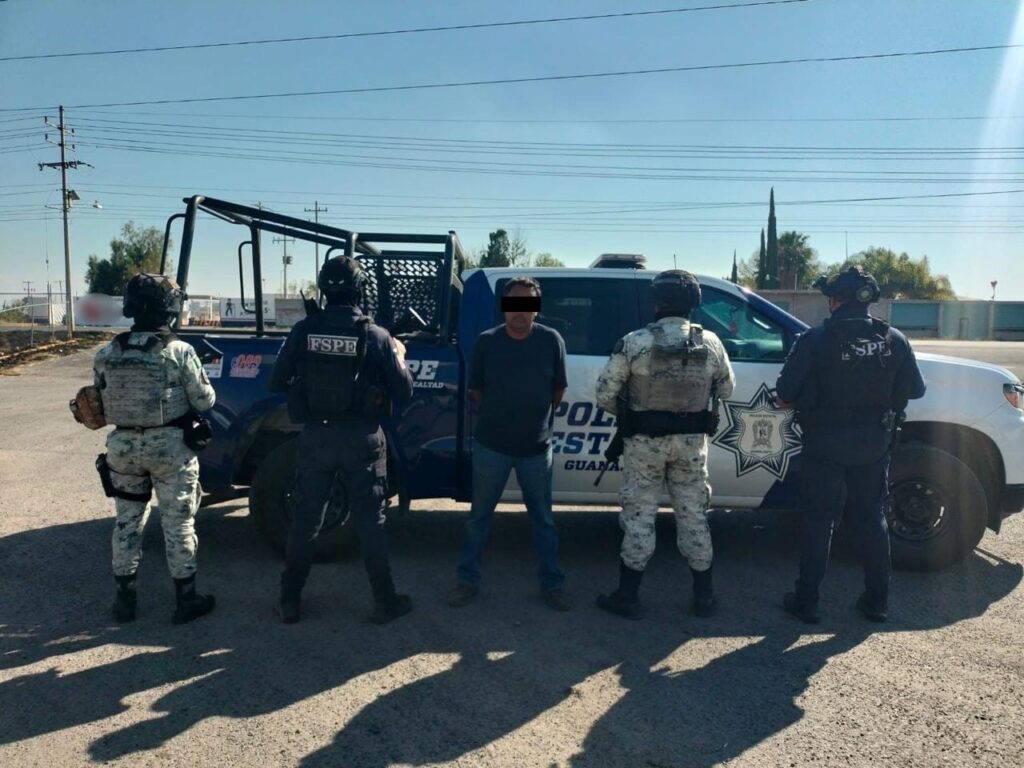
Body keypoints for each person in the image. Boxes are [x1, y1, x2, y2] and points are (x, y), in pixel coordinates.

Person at [776, 266, 926, 624]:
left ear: (834, 300)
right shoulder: (895, 339)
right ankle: (877, 602)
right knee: (872, 519)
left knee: (819, 520)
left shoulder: (815, 339)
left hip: (824, 444)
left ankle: (806, 601)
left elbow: (784, 394)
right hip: (874, 443)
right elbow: (916, 390)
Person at [268, 256, 413, 625]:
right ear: (359, 288)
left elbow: (276, 380)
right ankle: (385, 601)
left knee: (305, 521)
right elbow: (403, 390)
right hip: (362, 439)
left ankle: (289, 601)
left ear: (323, 288)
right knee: (371, 523)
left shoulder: (304, 330)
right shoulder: (376, 336)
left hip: (316, 437)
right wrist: (399, 353)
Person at [594, 270, 735, 620]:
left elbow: (605, 394)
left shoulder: (635, 342)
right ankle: (704, 597)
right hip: (691, 445)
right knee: (694, 516)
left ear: (657, 303)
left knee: (639, 517)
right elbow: (727, 389)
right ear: (694, 304)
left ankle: (628, 597)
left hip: (644, 444)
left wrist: (635, 412)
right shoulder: (711, 342)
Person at [93, 273, 217, 624]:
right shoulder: (179, 351)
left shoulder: (106, 353)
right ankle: (186, 600)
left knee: (127, 523)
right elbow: (205, 400)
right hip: (170, 451)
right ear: (169, 309)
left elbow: (100, 400)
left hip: (123, 449)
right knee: (178, 525)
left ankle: (125, 601)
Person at [448, 276, 570, 611]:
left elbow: (558, 389)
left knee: (544, 521)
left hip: (536, 448)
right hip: (492, 446)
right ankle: (467, 582)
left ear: (536, 308)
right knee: (478, 519)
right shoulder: (487, 342)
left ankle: (552, 585)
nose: (520, 311)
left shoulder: (551, 340)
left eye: (527, 304)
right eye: (514, 303)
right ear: (504, 306)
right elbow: (476, 390)